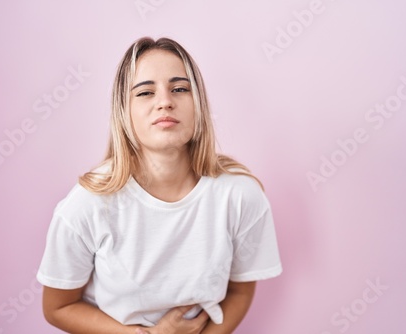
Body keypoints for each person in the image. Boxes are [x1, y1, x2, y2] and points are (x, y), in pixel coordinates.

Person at [37, 36, 282, 334]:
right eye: (145, 93)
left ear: (199, 105)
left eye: (179, 89)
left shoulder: (241, 196)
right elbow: (57, 307)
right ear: (123, 112)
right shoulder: (87, 204)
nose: (165, 101)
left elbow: (241, 292)